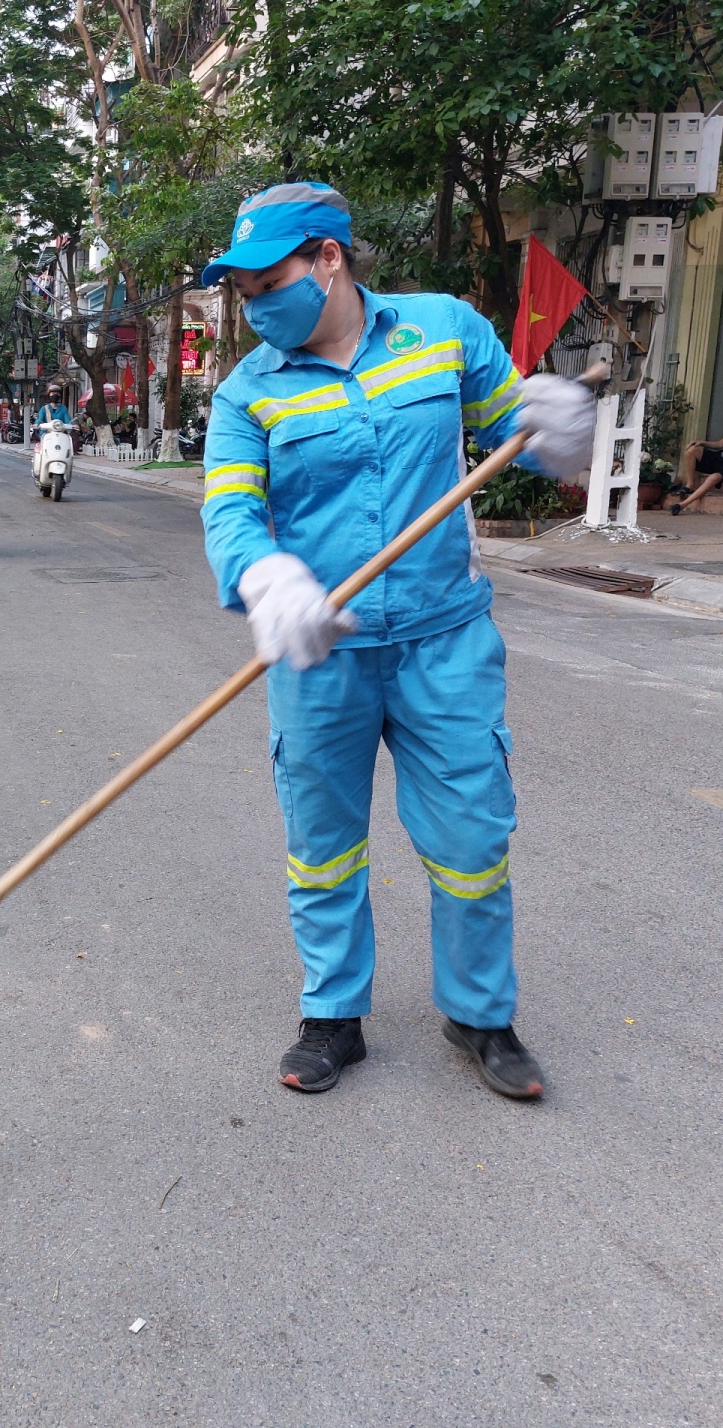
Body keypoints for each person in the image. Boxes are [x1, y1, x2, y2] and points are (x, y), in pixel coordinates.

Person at [197, 182, 595, 1100]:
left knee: (471, 835)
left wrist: (556, 431)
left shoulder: (443, 329)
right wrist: (264, 576)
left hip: (442, 641)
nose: (254, 308)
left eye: (266, 284)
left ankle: (479, 1014)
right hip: (318, 648)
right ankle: (333, 1016)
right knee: (323, 843)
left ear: (327, 259)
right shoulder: (244, 395)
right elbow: (231, 512)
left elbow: (513, 433)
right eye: (244, 294)